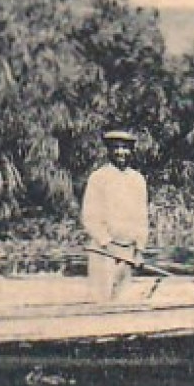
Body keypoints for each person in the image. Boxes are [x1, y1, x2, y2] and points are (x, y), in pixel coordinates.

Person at [80, 128, 150, 301]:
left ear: (131, 151)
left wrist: (139, 250)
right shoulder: (98, 177)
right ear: (109, 150)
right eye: (116, 147)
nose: (121, 152)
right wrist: (106, 243)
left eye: (125, 148)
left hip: (128, 251)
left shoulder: (137, 179)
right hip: (103, 252)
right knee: (100, 302)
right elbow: (89, 216)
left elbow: (142, 218)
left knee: (122, 301)